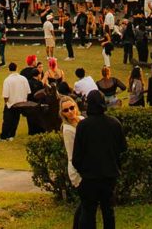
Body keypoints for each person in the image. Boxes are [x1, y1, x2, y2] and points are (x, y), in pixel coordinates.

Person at [71, 90, 127, 229]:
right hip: (109, 174)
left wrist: (83, 171)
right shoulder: (114, 123)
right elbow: (122, 149)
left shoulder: (84, 126)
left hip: (90, 176)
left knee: (88, 210)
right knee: (108, 210)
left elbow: (77, 155)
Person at [59, 95, 84, 228]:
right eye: (66, 110)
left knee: (87, 202)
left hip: (87, 167)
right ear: (62, 113)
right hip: (77, 170)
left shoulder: (82, 119)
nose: (70, 112)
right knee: (86, 202)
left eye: (72, 108)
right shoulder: (67, 129)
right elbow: (72, 155)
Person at [0, 62, 30, 141]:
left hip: (11, 103)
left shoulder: (7, 80)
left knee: (7, 120)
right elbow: (28, 91)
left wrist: (6, 103)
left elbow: (6, 95)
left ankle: (4, 135)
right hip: (21, 103)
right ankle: (11, 135)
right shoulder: (23, 79)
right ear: (17, 68)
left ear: (9, 69)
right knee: (15, 119)